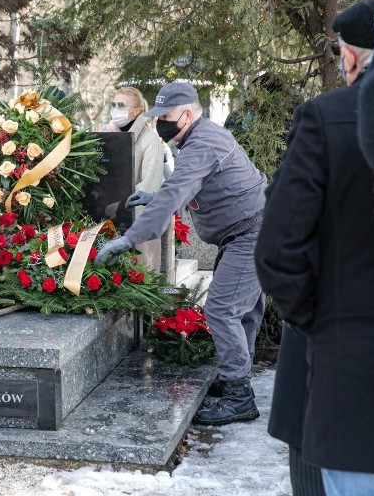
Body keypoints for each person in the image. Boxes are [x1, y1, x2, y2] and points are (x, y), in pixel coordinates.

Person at [257, 0, 374, 496]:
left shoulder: (326, 119)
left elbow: (280, 243)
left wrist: (312, 318)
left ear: (351, 58)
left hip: (333, 356)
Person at [95, 81, 267, 426]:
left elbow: (178, 188)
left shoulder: (203, 142)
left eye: (166, 116)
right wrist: (155, 197)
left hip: (252, 234)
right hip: (250, 232)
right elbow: (193, 186)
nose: (160, 122)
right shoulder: (196, 137)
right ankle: (236, 381)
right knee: (242, 312)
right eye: (156, 115)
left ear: (187, 114)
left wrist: (129, 240)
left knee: (222, 309)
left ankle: (239, 397)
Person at [105, 87, 165, 271]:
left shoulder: (150, 140)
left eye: (121, 105)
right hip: (108, 218)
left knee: (140, 274)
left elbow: (149, 185)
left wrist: (115, 202)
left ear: (137, 111)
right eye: (113, 104)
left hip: (139, 221)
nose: (116, 109)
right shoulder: (108, 136)